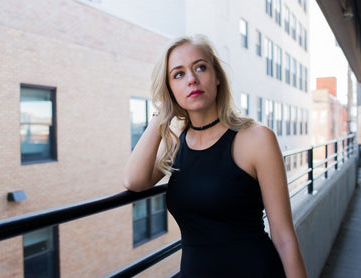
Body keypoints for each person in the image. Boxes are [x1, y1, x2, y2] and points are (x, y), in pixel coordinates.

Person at [122, 34, 307, 278]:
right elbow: (134, 181)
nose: (192, 79)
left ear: (217, 77)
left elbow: (284, 238)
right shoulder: (176, 145)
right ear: (170, 89)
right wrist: (160, 117)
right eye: (178, 74)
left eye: (200, 67)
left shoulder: (257, 139)